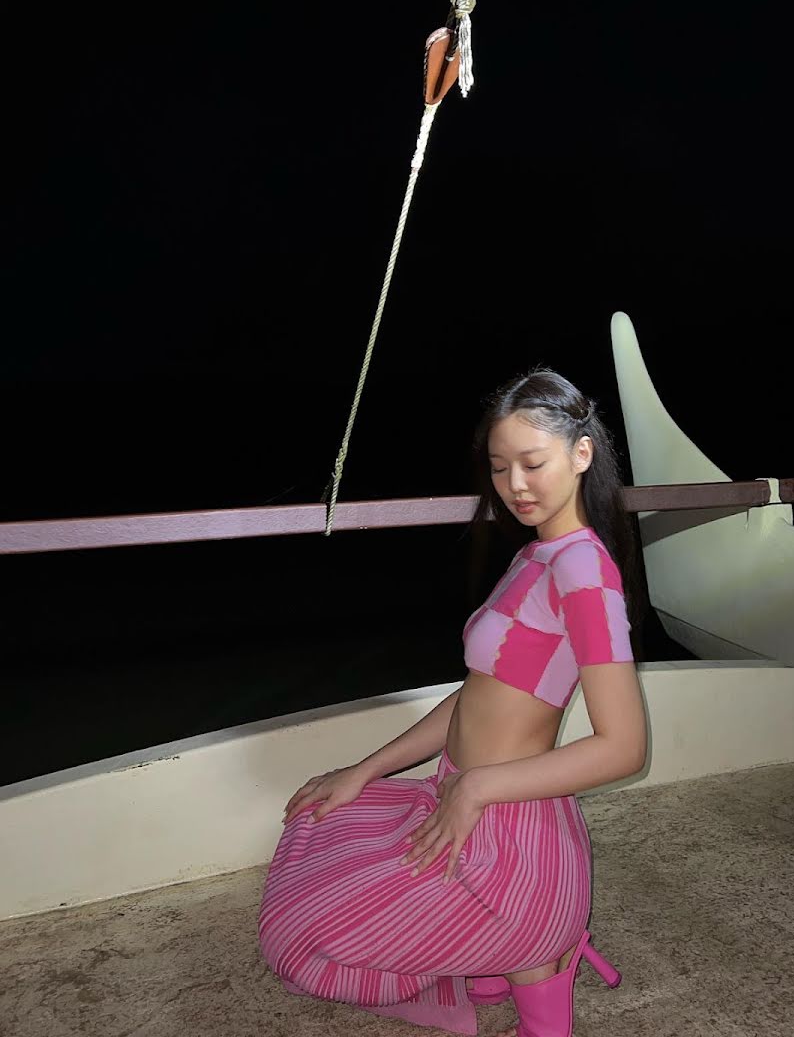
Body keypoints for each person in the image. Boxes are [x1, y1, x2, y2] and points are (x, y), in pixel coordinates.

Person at [258, 369, 649, 1037]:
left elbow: (625, 748)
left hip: (507, 835)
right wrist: (365, 770)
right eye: (499, 467)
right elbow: (476, 698)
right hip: (463, 796)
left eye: (532, 463)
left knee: (297, 940)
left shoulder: (585, 572)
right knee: (320, 822)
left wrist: (475, 789)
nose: (514, 485)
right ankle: (500, 957)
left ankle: (530, 952)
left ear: (581, 454)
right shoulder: (537, 556)